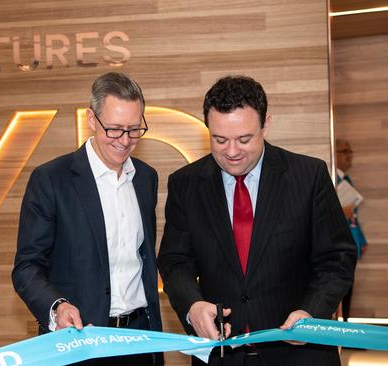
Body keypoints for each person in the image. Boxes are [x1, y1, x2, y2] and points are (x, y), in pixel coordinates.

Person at [157, 75, 356, 366]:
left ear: (266, 124)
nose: (232, 152)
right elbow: (175, 261)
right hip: (222, 355)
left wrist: (311, 312)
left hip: (299, 354)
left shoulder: (307, 176)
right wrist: (192, 305)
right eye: (220, 139)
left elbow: (337, 258)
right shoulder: (186, 185)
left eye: (244, 139)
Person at [12, 72, 163, 365]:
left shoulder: (146, 178)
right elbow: (27, 268)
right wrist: (57, 307)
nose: (125, 140)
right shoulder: (51, 180)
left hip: (140, 341)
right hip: (81, 342)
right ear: (91, 120)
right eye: (115, 129)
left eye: (134, 129)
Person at [335, 138, 368, 321]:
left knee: (349, 289)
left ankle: (347, 326)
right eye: (345, 151)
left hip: (351, 242)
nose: (350, 156)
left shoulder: (346, 180)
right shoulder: (332, 178)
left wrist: (361, 240)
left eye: (350, 152)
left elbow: (353, 215)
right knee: (341, 289)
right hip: (339, 244)